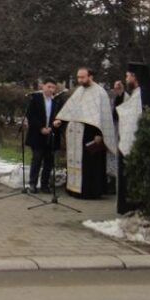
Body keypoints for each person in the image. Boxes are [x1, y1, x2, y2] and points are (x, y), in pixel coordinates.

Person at [54, 67, 117, 200]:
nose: (80, 80)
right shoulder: (79, 91)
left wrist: (99, 133)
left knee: (90, 164)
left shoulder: (99, 93)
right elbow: (71, 110)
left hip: (91, 134)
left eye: (82, 77)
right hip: (76, 135)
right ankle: (74, 189)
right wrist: (61, 120)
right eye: (78, 77)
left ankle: (90, 191)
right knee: (76, 161)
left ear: (91, 77)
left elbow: (103, 116)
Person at [114, 63, 150, 214]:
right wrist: (121, 95)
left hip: (136, 142)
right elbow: (124, 110)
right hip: (130, 140)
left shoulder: (144, 94)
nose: (126, 78)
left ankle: (133, 206)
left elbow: (134, 115)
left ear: (135, 77)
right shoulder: (138, 93)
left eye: (128, 76)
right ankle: (128, 206)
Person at [25, 78, 63, 193]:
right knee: (37, 159)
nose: (51, 89)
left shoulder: (56, 101)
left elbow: (59, 116)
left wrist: (56, 124)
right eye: (49, 86)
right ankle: (32, 183)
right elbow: (30, 116)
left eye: (53, 88)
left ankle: (45, 184)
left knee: (49, 161)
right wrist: (40, 128)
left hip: (51, 134)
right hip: (37, 134)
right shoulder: (35, 99)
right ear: (43, 86)